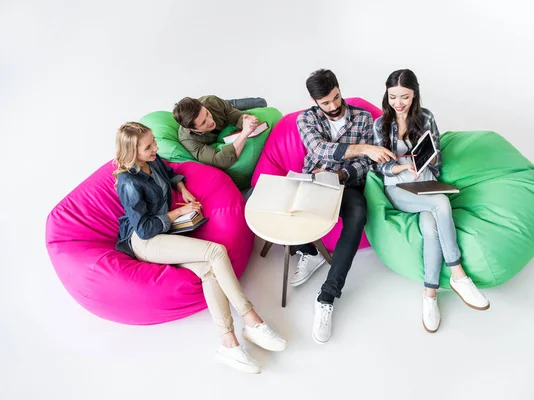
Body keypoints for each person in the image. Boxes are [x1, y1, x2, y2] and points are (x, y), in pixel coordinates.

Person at [113, 121, 286, 373]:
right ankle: (252, 320)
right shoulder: (129, 184)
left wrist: (182, 188)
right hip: (146, 241)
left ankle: (229, 344)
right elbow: (144, 229)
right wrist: (177, 213)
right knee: (215, 252)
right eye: (148, 147)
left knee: (208, 271)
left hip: (164, 231)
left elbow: (170, 172)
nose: (155, 149)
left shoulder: (151, 160)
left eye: (154, 143)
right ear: (132, 151)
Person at [372, 69, 490, 333]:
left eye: (405, 97)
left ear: (415, 95)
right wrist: (401, 168)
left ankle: (429, 296)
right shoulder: (379, 124)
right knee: (441, 204)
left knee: (429, 228)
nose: (399, 103)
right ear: (386, 94)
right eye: (393, 97)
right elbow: (380, 167)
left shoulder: (426, 117)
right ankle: (458, 274)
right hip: (399, 187)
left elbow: (437, 156)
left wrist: (427, 157)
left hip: (425, 182)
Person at [292, 69, 397, 344]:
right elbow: (319, 150)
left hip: (347, 183)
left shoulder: (363, 118)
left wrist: (343, 173)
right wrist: (363, 148)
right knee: (285, 207)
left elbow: (368, 165)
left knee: (358, 213)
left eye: (336, 97)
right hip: (315, 179)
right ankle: (309, 253)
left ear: (340, 89)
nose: (334, 106)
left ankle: (327, 295)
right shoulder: (306, 118)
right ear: (315, 102)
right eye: (325, 103)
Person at [172, 96, 266, 169]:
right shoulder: (188, 140)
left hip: (222, 107)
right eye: (203, 122)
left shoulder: (211, 102)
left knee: (261, 102)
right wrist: (244, 133)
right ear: (191, 129)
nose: (210, 121)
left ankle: (228, 103)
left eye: (207, 114)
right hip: (219, 112)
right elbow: (219, 160)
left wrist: (246, 120)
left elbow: (236, 116)